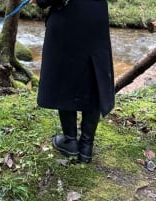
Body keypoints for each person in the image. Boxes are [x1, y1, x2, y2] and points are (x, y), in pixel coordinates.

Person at [30, 0, 115, 163]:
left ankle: (70, 142)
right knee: (93, 73)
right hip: (96, 13)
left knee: (65, 75)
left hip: (68, 15)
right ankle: (86, 147)